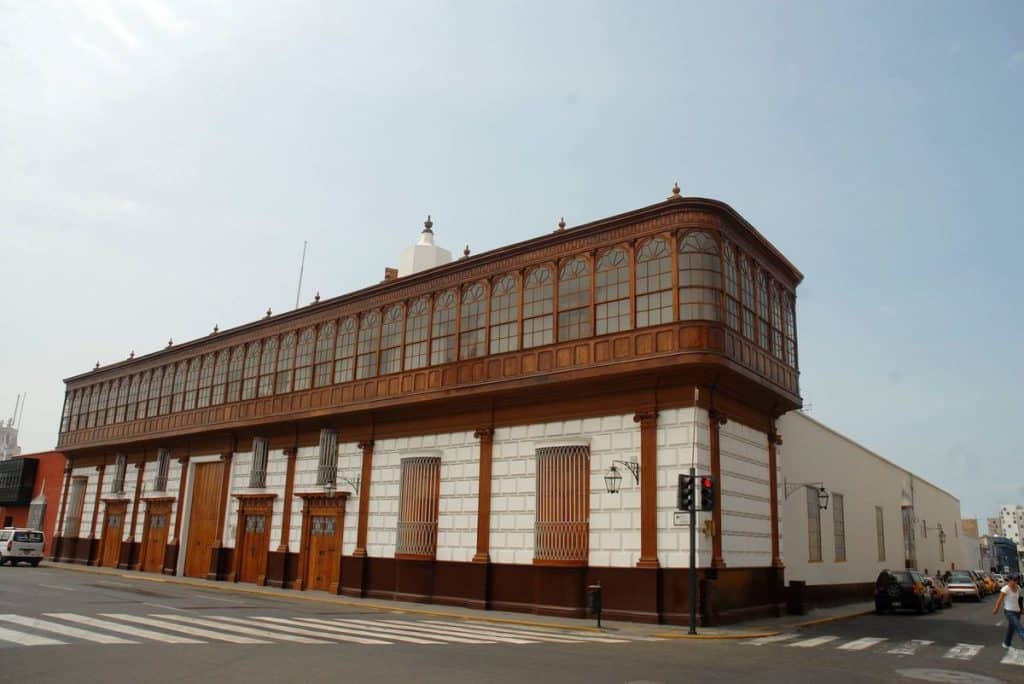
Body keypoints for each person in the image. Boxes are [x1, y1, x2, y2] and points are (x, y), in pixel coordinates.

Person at [993, 575, 1024, 648]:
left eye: (1015, 581)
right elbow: (1000, 600)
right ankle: (1007, 643)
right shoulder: (1005, 589)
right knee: (1019, 628)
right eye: (1012, 580)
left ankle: (1006, 643)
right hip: (1009, 612)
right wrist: (996, 608)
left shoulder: (1018, 588)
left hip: (1017, 612)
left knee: (1011, 628)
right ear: (1009, 581)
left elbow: (1020, 600)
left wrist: (1022, 609)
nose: (1014, 582)